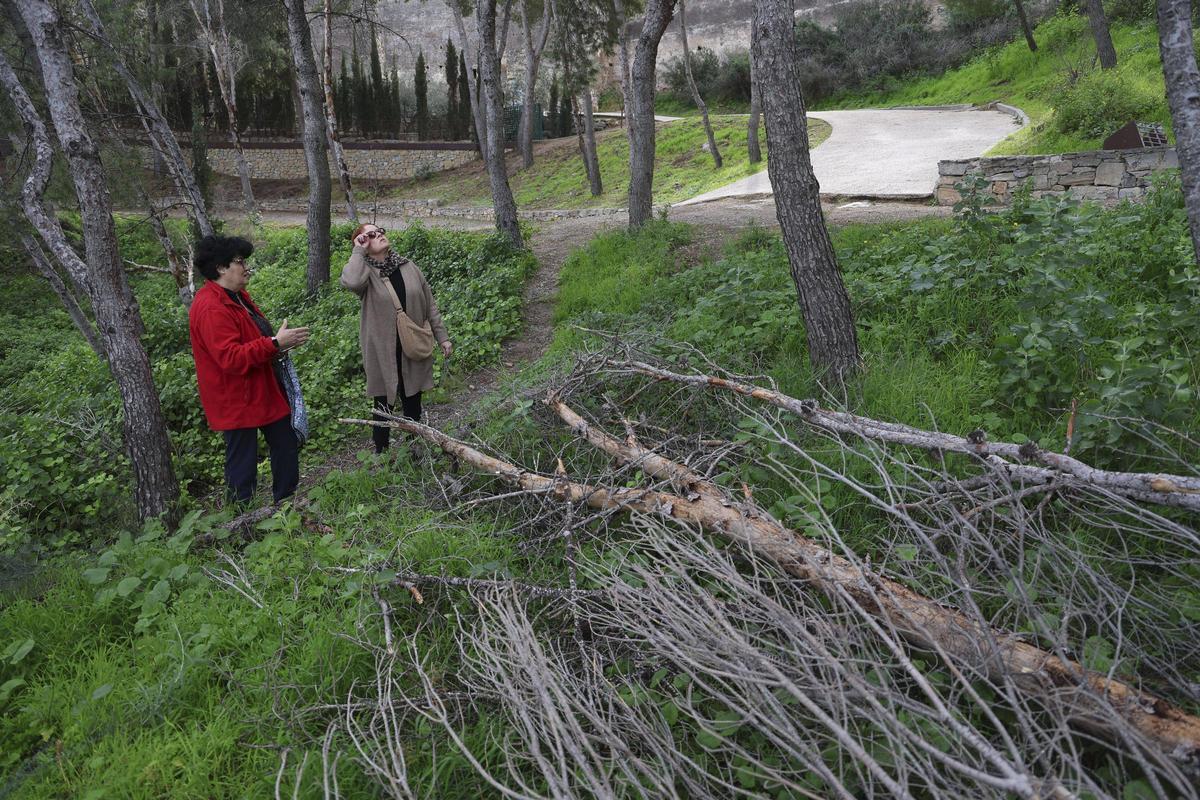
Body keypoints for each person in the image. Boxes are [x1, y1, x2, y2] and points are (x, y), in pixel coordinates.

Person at [189, 235, 311, 505]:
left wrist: (277, 346)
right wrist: (274, 343)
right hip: (235, 397)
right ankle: (241, 520)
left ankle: (286, 506)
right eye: (240, 261)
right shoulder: (210, 307)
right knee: (242, 463)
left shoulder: (237, 296)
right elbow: (230, 358)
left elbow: (253, 339)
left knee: (286, 443)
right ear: (221, 268)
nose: (246, 267)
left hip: (261, 388)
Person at [340, 223, 452, 453]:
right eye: (371, 235)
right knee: (383, 401)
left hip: (412, 343)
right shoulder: (364, 273)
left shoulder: (408, 266)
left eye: (380, 231)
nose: (379, 235)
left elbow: (429, 303)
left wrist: (442, 337)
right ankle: (381, 452)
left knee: (413, 398)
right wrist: (358, 250)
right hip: (382, 348)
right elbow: (351, 281)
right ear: (363, 243)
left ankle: (415, 449)